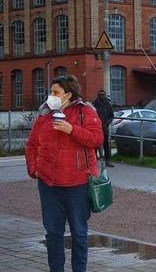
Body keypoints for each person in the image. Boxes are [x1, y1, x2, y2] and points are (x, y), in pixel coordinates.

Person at [25, 75, 103, 272]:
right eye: (50, 92)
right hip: (49, 185)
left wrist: (71, 129)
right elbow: (32, 145)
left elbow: (96, 140)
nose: (51, 96)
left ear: (67, 95)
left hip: (77, 184)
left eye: (55, 92)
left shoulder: (86, 112)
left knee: (78, 233)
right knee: (53, 233)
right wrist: (34, 169)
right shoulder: (44, 115)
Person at [92, 90, 115, 167]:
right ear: (98, 96)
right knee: (94, 144)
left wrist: (107, 123)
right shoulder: (94, 104)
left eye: (103, 95)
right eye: (100, 95)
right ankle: (94, 161)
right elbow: (91, 115)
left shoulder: (108, 104)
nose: (102, 96)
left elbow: (111, 116)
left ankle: (108, 160)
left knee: (106, 144)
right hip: (96, 127)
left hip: (105, 127)